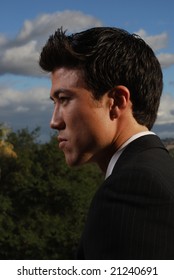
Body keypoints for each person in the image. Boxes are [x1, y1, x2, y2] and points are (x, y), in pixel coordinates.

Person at [39, 27, 174, 259]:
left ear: (116, 102)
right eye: (54, 102)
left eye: (64, 99)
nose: (54, 121)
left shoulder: (135, 187)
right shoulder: (158, 170)